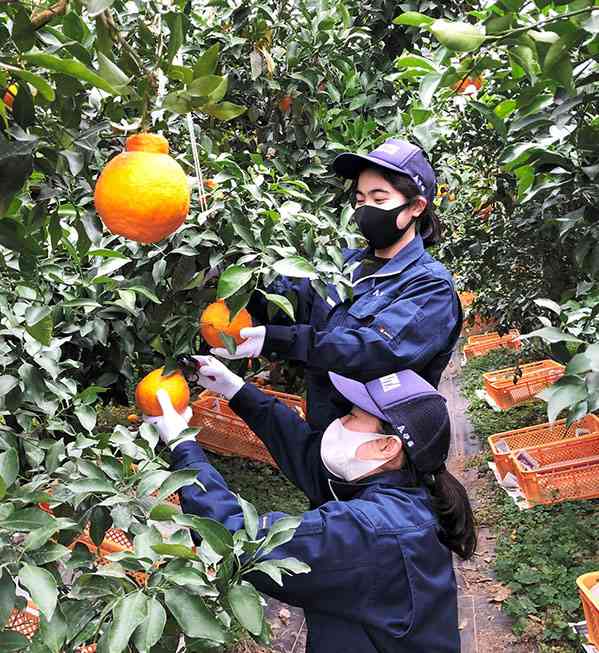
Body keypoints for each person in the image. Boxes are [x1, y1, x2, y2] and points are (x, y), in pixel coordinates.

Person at [145, 356, 477, 653]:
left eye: (352, 415)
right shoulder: (409, 489)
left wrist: (183, 445)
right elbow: (308, 457)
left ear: (386, 447)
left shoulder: (368, 531)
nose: (339, 423)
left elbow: (235, 541)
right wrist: (236, 390)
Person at [210, 138, 463, 431]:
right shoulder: (341, 264)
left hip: (382, 457)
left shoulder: (430, 286)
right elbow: (288, 302)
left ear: (416, 206)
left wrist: (283, 340)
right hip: (326, 439)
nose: (366, 209)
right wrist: (235, 278)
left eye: (379, 200)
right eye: (360, 199)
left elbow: (375, 351)